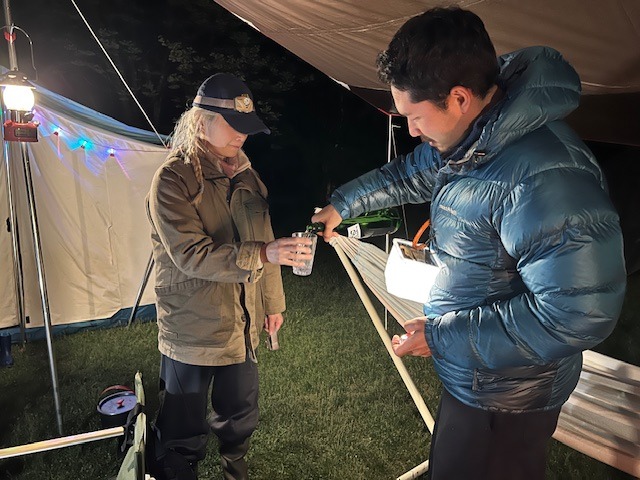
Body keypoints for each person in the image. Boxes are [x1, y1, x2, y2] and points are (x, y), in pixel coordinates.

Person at [312, 7, 626, 480]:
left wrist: (441, 337)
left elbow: (578, 313)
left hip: (510, 397)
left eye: (415, 116)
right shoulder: (475, 140)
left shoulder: (544, 176)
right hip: (478, 374)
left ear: (459, 97)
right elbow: (409, 173)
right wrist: (343, 204)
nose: (411, 131)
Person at [146, 73, 312, 480]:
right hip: (192, 328)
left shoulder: (249, 178)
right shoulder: (174, 178)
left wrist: (273, 305)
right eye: (233, 125)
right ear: (201, 122)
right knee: (182, 426)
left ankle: (234, 470)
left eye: (247, 126)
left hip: (243, 322)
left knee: (240, 414)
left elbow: (265, 241)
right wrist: (263, 253)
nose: (242, 135)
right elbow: (190, 255)